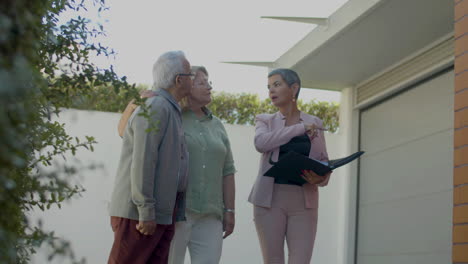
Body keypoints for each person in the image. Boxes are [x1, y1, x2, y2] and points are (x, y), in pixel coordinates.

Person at [117, 66, 236, 264]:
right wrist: (137, 101)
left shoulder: (217, 125)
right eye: (202, 82)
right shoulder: (169, 114)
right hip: (177, 212)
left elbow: (228, 170)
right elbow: (126, 132)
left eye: (209, 82)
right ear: (187, 85)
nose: (209, 87)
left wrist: (230, 210)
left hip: (211, 215)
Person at [107, 50, 193, 264]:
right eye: (190, 74)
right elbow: (143, 160)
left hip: (161, 213)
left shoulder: (170, 109)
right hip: (140, 215)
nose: (192, 79)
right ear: (178, 79)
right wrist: (146, 210)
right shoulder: (156, 107)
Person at [248, 68, 331, 264]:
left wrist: (322, 178)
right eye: (268, 87)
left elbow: (324, 161)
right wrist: (299, 129)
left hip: (304, 202)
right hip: (269, 201)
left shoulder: (315, 123)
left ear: (294, 88)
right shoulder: (264, 120)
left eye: (277, 85)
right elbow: (261, 143)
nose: (271, 91)